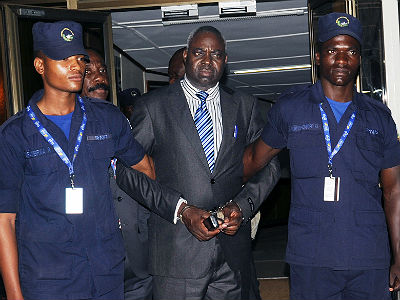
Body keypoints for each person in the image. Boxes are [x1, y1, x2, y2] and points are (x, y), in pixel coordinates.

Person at [242, 12, 400, 299]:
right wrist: (211, 191)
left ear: (359, 58)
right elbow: (253, 161)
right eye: (332, 50)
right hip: (311, 256)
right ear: (318, 56)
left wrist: (399, 256)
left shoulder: (380, 117)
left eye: (351, 51)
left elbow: (394, 192)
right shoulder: (291, 108)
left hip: (369, 256)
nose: (342, 60)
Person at [116, 25, 280, 300]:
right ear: (185, 57)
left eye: (216, 53)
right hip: (175, 255)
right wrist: (180, 209)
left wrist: (242, 206)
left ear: (225, 61)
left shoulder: (245, 105)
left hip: (232, 255)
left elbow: (270, 165)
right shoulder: (153, 106)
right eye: (199, 52)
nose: (207, 60)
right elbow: (125, 171)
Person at [0, 20, 159, 300]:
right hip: (48, 280)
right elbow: (5, 221)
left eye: (79, 58)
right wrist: (15, 296)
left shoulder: (106, 118)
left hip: (106, 272)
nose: (76, 66)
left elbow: (146, 169)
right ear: (40, 66)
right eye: (64, 59)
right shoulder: (15, 134)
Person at [80, 50, 152, 300]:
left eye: (102, 71)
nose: (99, 78)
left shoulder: (124, 123)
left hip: (137, 256)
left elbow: (148, 176)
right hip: (92, 260)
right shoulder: (64, 130)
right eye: (89, 72)